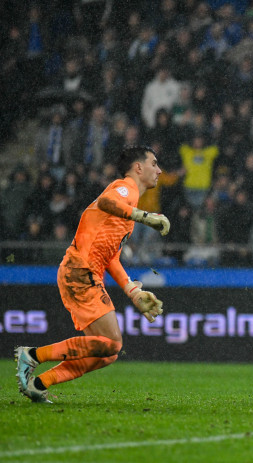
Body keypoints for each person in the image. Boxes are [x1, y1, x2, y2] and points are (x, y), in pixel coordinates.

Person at [15, 146, 170, 403]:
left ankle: (40, 383)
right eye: (154, 163)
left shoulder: (127, 212)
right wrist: (146, 217)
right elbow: (107, 202)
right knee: (112, 343)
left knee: (107, 353)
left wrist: (134, 292)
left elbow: (111, 258)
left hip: (84, 272)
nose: (159, 170)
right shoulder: (125, 187)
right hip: (80, 269)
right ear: (138, 167)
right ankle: (33, 355)